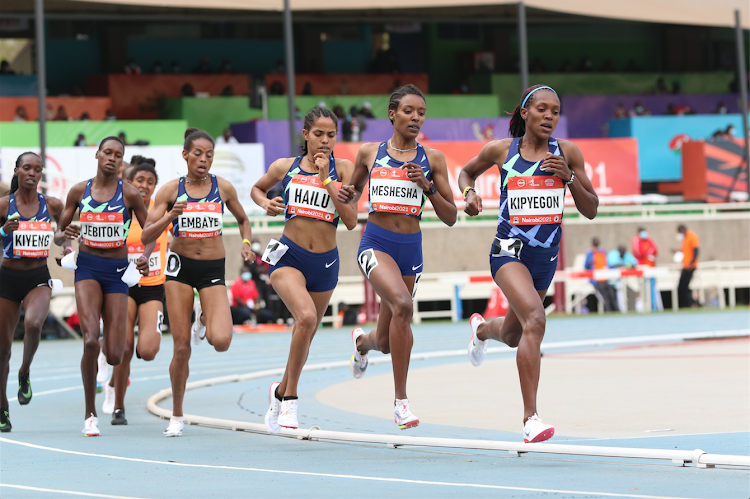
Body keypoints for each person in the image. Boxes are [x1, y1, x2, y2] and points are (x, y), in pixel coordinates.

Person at [458, 84, 598, 443]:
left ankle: (480, 331)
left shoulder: (567, 153)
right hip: (508, 251)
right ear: (525, 113)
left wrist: (568, 178)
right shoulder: (501, 151)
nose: (549, 116)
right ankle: (530, 418)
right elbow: (466, 173)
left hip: (544, 258)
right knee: (536, 319)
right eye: (542, 109)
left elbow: (591, 209)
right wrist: (470, 194)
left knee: (512, 334)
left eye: (555, 111)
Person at [338, 85, 457, 430]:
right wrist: (345, 193)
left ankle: (362, 343)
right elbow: (353, 194)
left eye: (421, 112)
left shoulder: (432, 159)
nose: (415, 117)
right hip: (376, 243)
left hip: (411, 250)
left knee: (388, 342)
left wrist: (429, 187)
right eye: (408, 111)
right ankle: (401, 403)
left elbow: (450, 216)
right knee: (404, 306)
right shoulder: (368, 153)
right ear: (392, 114)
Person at [141, 128, 255, 437]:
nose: (203, 159)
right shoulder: (169, 191)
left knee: (221, 341)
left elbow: (244, 219)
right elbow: (147, 234)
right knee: (181, 348)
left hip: (212, 269)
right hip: (179, 268)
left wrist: (247, 242)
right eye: (197, 154)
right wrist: (169, 219)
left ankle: (204, 316)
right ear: (185, 155)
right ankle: (177, 415)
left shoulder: (224, 188)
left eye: (209, 155)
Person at [252, 107, 357, 433]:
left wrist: (328, 180)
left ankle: (280, 390)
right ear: (306, 135)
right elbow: (257, 189)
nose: (325, 141)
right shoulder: (285, 167)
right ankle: (291, 401)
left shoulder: (344, 168)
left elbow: (351, 220)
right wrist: (265, 203)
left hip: (325, 263)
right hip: (288, 257)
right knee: (307, 318)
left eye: (331, 135)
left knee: (306, 332)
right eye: (318, 134)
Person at [57, 137, 153, 436]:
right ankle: (89, 414)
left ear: (122, 161)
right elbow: (60, 236)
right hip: (87, 268)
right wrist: (66, 235)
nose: (112, 158)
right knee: (89, 340)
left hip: (117, 273)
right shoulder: (78, 191)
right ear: (97, 154)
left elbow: (149, 232)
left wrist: (145, 257)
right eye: (107, 152)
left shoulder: (130, 194)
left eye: (118, 154)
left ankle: (111, 379)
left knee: (114, 354)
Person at [0, 152, 69, 432]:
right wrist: (3, 230)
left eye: (37, 169)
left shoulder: (52, 205)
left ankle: (25, 371)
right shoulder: (4, 205)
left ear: (41, 174)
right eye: (26, 168)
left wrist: (64, 240)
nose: (32, 173)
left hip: (38, 275)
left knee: (34, 323)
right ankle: (2, 407)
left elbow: (62, 235)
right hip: (7, 277)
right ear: (17, 171)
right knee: (2, 350)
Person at [101, 160, 169, 425]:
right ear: (130, 182)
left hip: (153, 288)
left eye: (150, 182)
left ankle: (140, 346)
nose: (145, 186)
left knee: (148, 350)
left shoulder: (160, 211)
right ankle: (118, 405)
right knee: (124, 347)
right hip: (123, 287)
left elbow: (181, 237)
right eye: (139, 180)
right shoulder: (118, 209)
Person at [585, 237, 618, 312]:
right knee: (605, 298)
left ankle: (616, 311)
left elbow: (607, 264)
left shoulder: (603, 251)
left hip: (606, 279)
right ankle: (608, 312)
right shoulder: (590, 253)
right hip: (597, 280)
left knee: (612, 295)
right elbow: (586, 266)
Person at [607, 245, 638, 312]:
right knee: (613, 297)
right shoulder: (613, 254)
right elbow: (614, 265)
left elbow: (634, 264)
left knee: (623, 293)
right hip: (612, 281)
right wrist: (627, 266)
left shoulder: (626, 255)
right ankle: (617, 309)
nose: (623, 253)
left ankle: (622, 309)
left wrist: (626, 266)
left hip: (623, 280)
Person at [675, 224, 699, 308]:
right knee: (682, 287)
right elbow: (686, 251)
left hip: (690, 266)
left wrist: (691, 263)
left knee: (683, 287)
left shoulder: (692, 236)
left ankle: (692, 303)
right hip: (686, 266)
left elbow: (696, 251)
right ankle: (691, 303)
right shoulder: (685, 238)